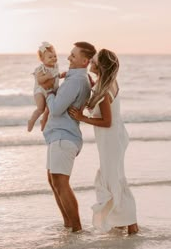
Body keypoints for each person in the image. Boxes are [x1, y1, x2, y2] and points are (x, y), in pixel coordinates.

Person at [69, 49, 139, 234]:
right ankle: (123, 222)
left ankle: (132, 225)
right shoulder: (105, 83)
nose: (90, 62)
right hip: (114, 138)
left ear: (99, 66)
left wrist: (82, 118)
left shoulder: (105, 89)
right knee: (115, 179)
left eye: (93, 61)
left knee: (113, 180)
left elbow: (107, 122)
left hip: (111, 139)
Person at [39, 42, 96, 232]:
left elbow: (55, 109)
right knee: (53, 181)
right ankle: (68, 225)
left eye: (73, 55)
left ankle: (76, 229)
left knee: (61, 183)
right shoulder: (76, 78)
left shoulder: (76, 81)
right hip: (60, 135)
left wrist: (47, 90)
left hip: (64, 136)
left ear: (84, 60)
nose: (68, 57)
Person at [27, 42, 66, 132]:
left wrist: (61, 75)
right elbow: (39, 80)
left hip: (52, 90)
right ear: (42, 59)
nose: (53, 59)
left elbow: (56, 75)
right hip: (40, 91)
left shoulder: (56, 67)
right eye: (50, 57)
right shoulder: (41, 69)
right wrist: (46, 77)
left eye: (55, 56)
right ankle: (31, 121)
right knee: (41, 108)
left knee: (49, 109)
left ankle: (43, 121)